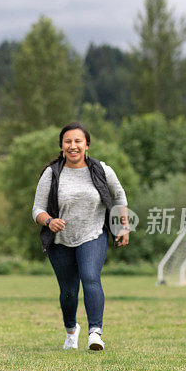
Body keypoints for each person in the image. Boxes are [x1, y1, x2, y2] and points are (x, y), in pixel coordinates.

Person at [32, 123, 130, 351]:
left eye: (78, 141)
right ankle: (71, 330)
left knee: (91, 278)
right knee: (68, 292)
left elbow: (119, 195)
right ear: (61, 146)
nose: (73, 146)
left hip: (93, 234)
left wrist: (124, 226)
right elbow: (36, 209)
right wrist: (49, 221)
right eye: (68, 141)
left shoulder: (101, 170)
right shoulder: (52, 173)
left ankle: (95, 333)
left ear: (87, 145)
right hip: (60, 241)